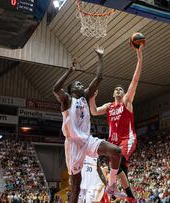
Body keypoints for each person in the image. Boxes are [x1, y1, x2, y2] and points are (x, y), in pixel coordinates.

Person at [53, 47, 126, 203]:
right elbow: (55, 89)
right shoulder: (67, 100)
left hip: (87, 140)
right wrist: (69, 70)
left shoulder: (85, 96)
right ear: (71, 90)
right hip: (73, 145)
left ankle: (112, 184)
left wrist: (100, 57)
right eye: (77, 84)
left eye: (81, 84)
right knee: (76, 187)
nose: (81, 85)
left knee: (116, 151)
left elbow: (99, 77)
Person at [89, 44, 144, 203]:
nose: (119, 90)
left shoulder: (126, 102)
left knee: (117, 167)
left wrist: (139, 57)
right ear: (113, 94)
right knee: (121, 171)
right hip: (113, 141)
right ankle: (131, 198)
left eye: (121, 89)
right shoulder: (108, 106)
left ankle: (116, 189)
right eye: (117, 89)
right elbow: (93, 111)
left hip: (127, 139)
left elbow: (135, 80)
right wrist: (92, 97)